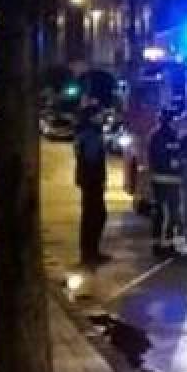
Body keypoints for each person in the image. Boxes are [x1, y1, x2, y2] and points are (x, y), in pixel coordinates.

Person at [74, 95, 110, 265]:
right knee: (96, 215)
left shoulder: (87, 132)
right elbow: (92, 159)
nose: (102, 117)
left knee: (92, 215)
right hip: (91, 180)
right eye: (100, 115)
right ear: (92, 117)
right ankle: (90, 253)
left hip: (88, 180)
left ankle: (90, 252)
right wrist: (99, 178)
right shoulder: (91, 134)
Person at [147, 109, 183, 258]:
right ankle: (165, 246)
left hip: (160, 180)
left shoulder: (157, 135)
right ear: (170, 121)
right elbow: (169, 160)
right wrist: (179, 165)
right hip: (168, 181)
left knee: (161, 214)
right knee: (169, 214)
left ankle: (159, 245)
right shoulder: (168, 137)